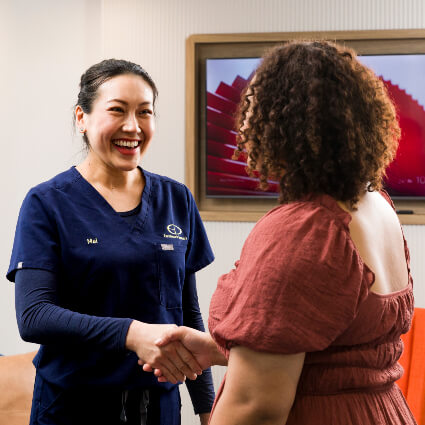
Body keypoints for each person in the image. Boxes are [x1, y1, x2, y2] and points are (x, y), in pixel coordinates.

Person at [144, 41, 417, 424]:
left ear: (280, 128)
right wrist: (216, 349)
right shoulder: (378, 206)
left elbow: (256, 407)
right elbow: (334, 351)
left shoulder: (303, 231)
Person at [7, 59, 215, 425]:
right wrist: (132, 334)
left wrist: (206, 408)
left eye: (145, 112)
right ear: (82, 118)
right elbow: (34, 316)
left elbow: (187, 312)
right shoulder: (47, 203)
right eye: (117, 110)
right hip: (74, 407)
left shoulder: (176, 199)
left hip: (160, 408)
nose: (133, 127)